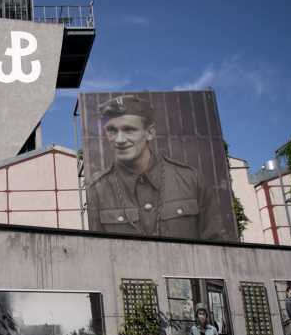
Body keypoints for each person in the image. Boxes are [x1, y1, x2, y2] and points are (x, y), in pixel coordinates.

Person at [86, 95, 224, 240]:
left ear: (150, 133)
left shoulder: (190, 179)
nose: (119, 140)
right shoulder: (96, 190)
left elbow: (215, 244)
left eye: (129, 130)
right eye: (112, 130)